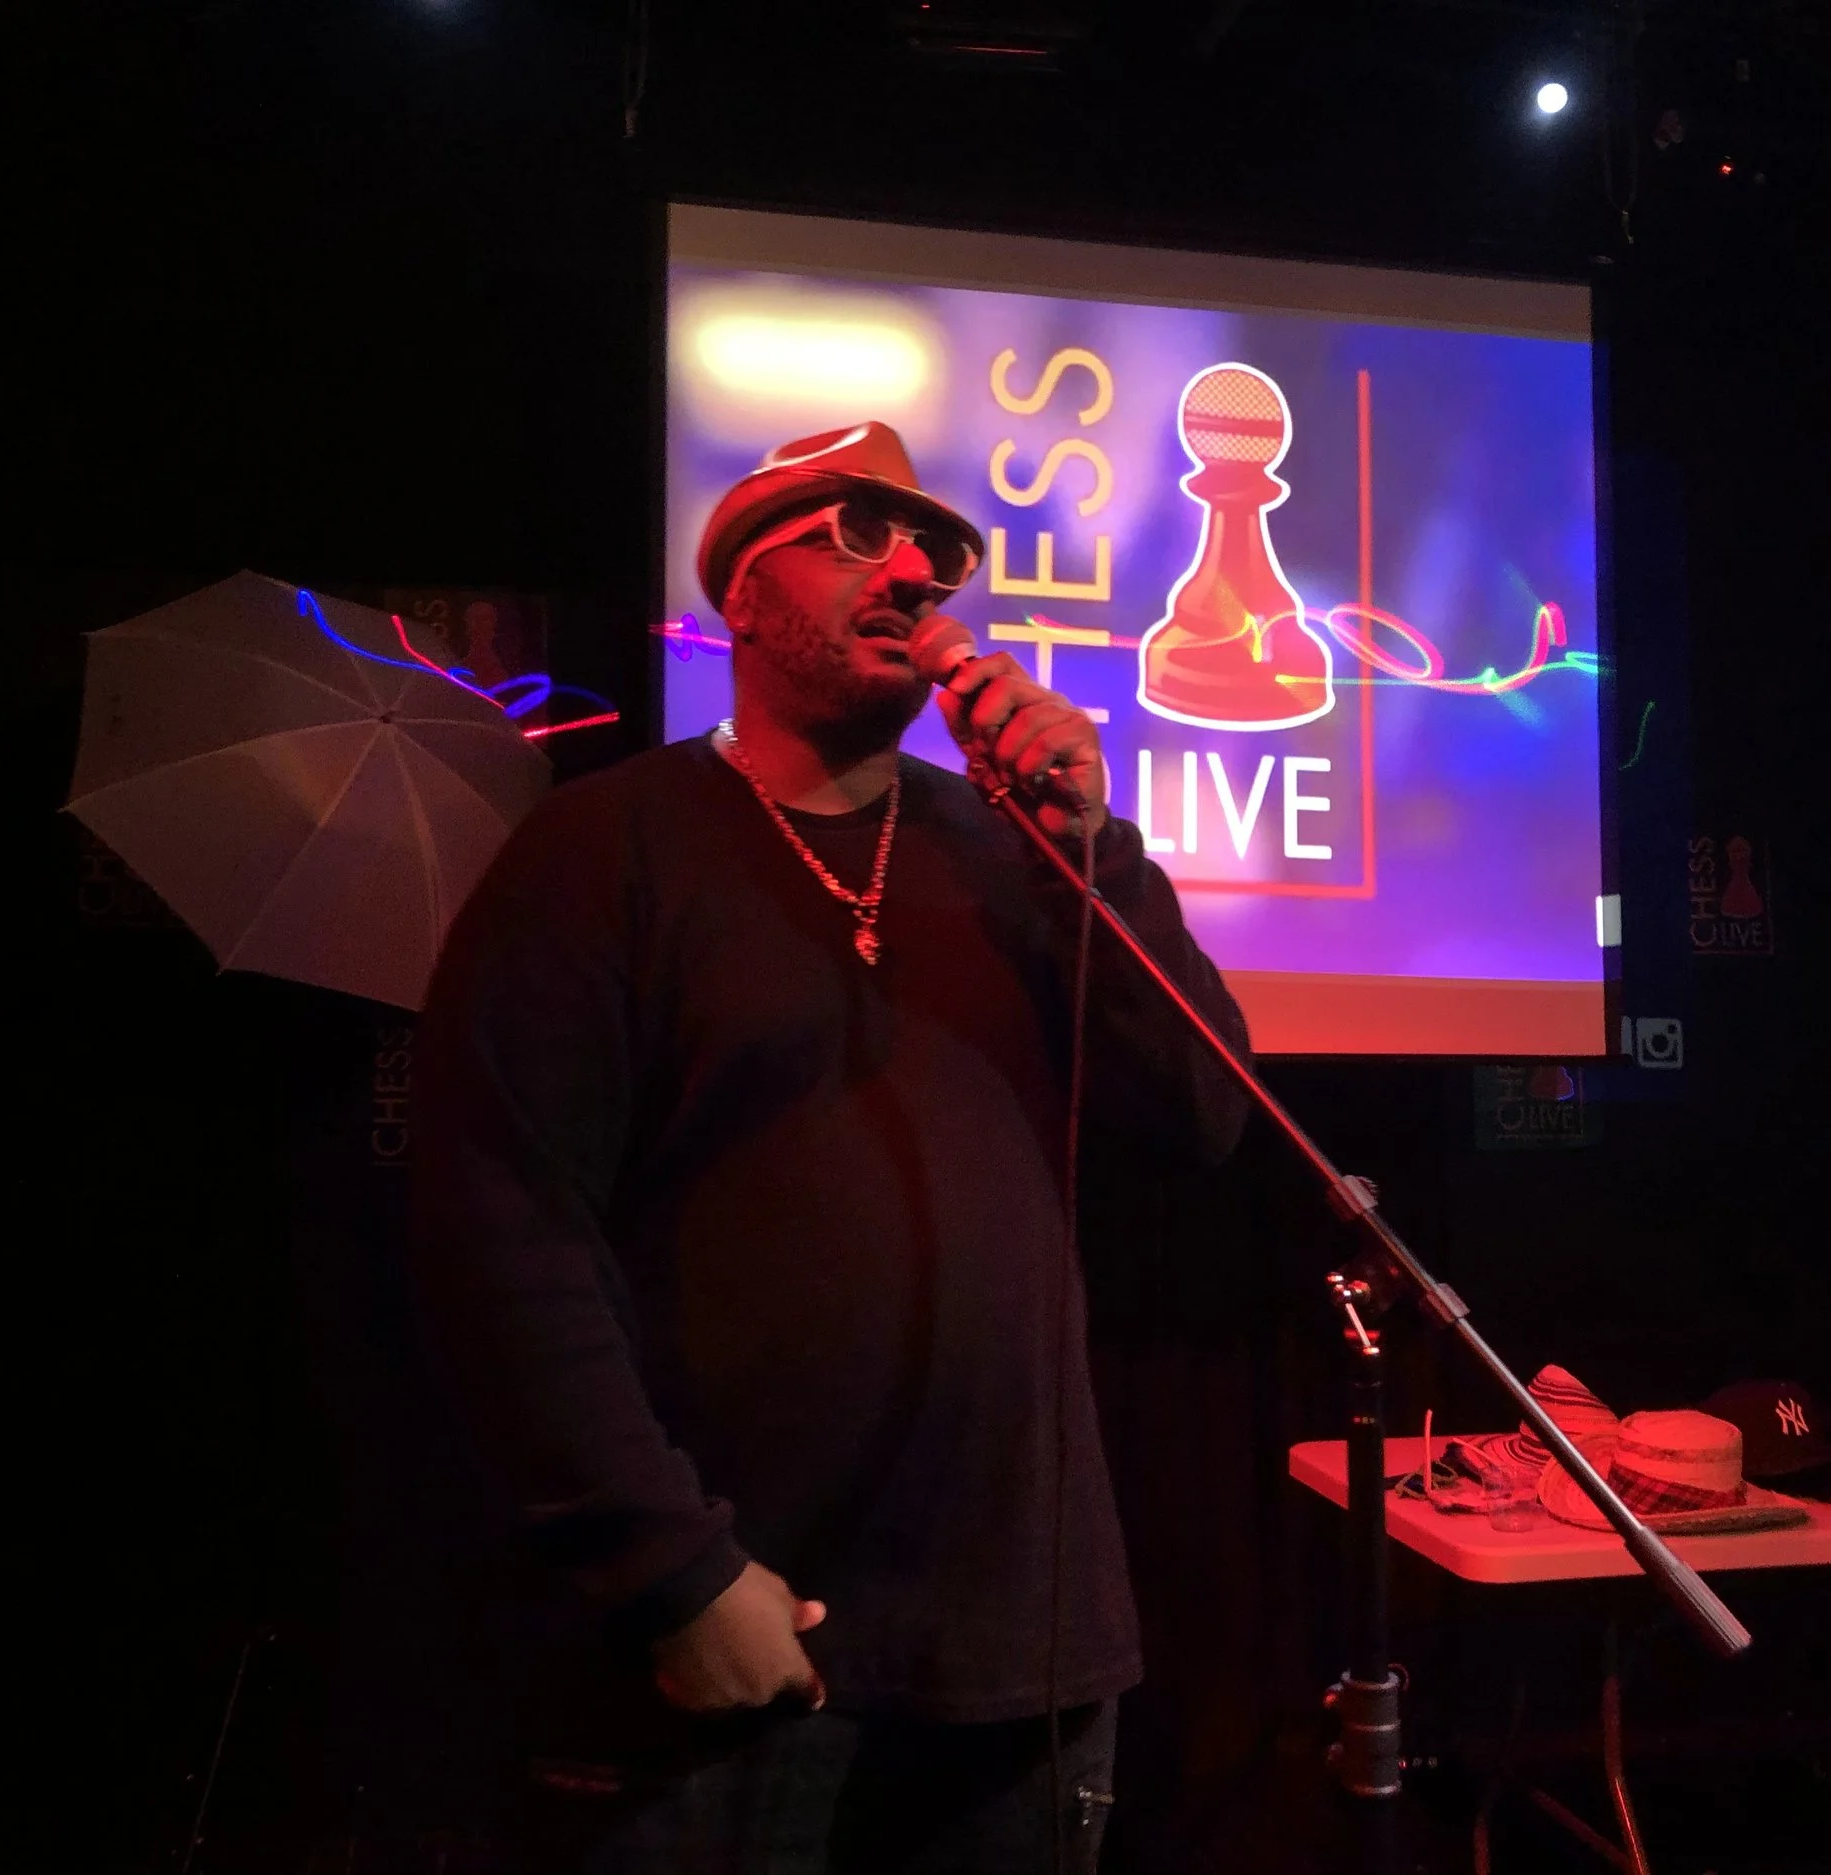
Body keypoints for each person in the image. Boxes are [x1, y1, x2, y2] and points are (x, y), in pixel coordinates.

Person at [411, 421, 1250, 1872]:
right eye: (853, 536)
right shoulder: (605, 849)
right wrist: (671, 1572)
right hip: (749, 1643)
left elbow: (1205, 1114)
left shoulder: (1016, 857)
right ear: (741, 592)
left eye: (933, 554)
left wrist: (1095, 849)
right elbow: (504, 1228)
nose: (915, 572)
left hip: (1016, 1646)